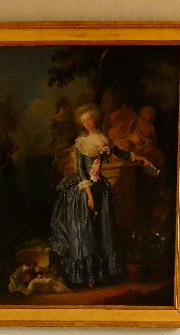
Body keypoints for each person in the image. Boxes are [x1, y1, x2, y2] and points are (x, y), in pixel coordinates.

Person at [50, 104, 153, 286]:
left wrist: (141, 158)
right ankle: (88, 276)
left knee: (103, 230)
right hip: (85, 191)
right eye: (84, 121)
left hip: (101, 189)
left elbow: (121, 153)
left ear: (94, 119)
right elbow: (81, 171)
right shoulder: (81, 142)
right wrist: (88, 195)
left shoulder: (104, 138)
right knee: (86, 232)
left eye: (89, 119)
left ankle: (103, 273)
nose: (87, 123)